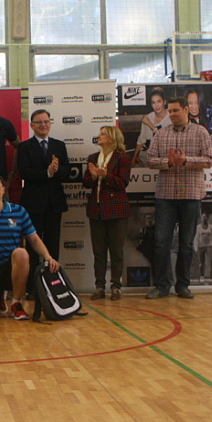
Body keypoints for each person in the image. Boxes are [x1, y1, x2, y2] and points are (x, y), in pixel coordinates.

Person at [146, 97, 212, 299]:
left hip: (191, 196)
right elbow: (149, 160)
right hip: (165, 196)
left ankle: (183, 286)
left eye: (176, 110)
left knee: (186, 243)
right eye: (170, 111)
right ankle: (162, 286)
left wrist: (185, 160)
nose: (172, 114)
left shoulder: (201, 132)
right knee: (161, 243)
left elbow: (209, 160)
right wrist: (167, 162)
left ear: (186, 110)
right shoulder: (161, 133)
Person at [0, 174, 59, 320]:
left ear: (3, 189)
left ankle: (16, 303)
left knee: (21, 253)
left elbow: (34, 239)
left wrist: (48, 257)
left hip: (12, 270)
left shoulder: (19, 211)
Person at [17, 109, 69, 286]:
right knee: (33, 247)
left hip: (54, 203)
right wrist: (47, 172)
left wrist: (56, 169)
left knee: (53, 245)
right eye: (39, 122)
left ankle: (53, 283)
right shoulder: (24, 147)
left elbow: (67, 171)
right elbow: (24, 172)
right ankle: (33, 286)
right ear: (32, 125)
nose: (43, 125)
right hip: (33, 203)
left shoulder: (59, 146)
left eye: (46, 121)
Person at [82, 126, 132, 301]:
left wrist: (106, 175)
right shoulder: (93, 158)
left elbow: (123, 183)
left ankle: (116, 287)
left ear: (111, 138)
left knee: (116, 251)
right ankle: (99, 287)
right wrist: (93, 176)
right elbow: (86, 183)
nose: (99, 136)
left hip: (116, 210)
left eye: (102, 134)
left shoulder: (123, 158)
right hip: (96, 210)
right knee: (99, 252)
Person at [132, 87, 171, 167]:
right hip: (146, 160)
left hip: (165, 161)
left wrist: (150, 125)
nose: (156, 105)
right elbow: (141, 140)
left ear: (164, 102)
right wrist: (134, 158)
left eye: (159, 101)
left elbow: (164, 139)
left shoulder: (171, 117)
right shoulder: (147, 118)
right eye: (153, 102)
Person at [185, 88, 212, 160]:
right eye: (190, 103)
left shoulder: (211, 113)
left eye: (197, 102)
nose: (194, 106)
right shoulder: (182, 120)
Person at [196, 213, 212, 281]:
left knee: (208, 262)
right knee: (201, 263)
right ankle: (202, 275)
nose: (203, 218)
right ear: (201, 218)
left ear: (207, 218)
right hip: (200, 247)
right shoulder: (198, 227)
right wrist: (196, 249)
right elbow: (196, 238)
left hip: (209, 247)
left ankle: (207, 276)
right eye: (202, 217)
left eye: (205, 216)